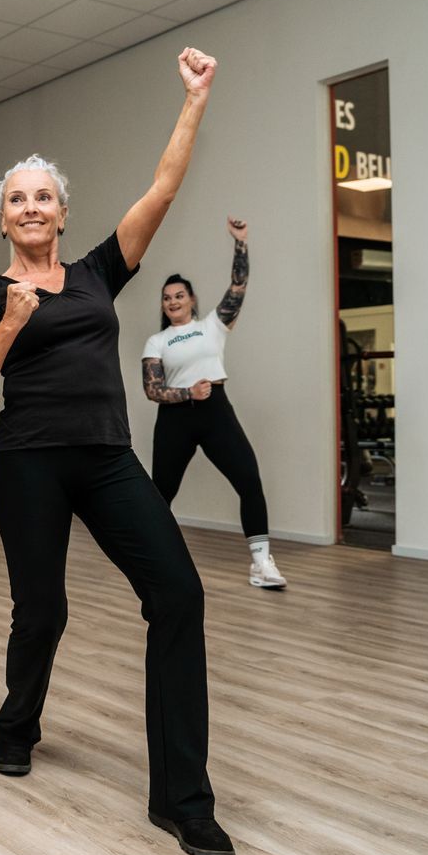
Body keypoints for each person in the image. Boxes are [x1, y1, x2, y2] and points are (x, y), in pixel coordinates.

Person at [0, 48, 235, 855]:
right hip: (29, 464)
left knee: (177, 594)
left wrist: (194, 99)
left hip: (109, 459)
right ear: (2, 219)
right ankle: (17, 723)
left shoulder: (96, 274)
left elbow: (162, 190)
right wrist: (11, 322)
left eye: (43, 196)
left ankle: (182, 800)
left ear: (63, 213)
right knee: (43, 610)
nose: (31, 207)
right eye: (17, 198)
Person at [143, 220, 287, 589]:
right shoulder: (157, 341)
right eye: (167, 297)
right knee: (160, 494)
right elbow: (153, 390)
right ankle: (151, 561)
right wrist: (188, 394)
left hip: (215, 411)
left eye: (179, 295)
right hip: (175, 418)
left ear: (191, 299)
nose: (173, 301)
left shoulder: (213, 326)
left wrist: (241, 243)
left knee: (249, 480)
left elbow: (238, 286)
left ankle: (262, 564)